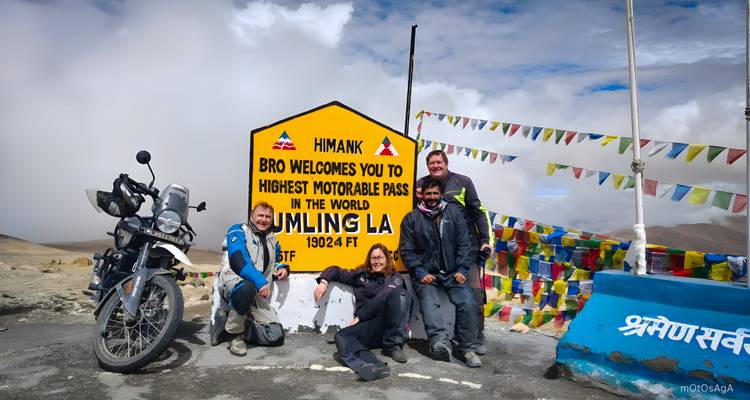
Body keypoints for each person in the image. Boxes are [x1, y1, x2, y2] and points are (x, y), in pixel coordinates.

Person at [416, 150, 493, 355]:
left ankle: (476, 337)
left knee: (474, 294)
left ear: (446, 163)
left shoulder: (463, 181)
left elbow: (478, 212)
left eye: (439, 162)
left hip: (468, 247)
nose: (435, 166)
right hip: (438, 251)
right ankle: (457, 337)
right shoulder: (421, 184)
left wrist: (485, 241)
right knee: (457, 295)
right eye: (431, 163)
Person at [399, 178, 481, 368]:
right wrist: (419, 271)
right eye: (428, 194)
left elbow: (464, 244)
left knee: (467, 303)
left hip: (453, 273)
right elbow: (406, 250)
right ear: (422, 195)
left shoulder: (454, 214)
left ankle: (467, 348)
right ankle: (440, 343)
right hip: (426, 274)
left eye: (435, 194)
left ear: (441, 194)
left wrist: (462, 269)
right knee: (429, 303)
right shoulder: (411, 218)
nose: (432, 197)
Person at [313, 243, 411, 381]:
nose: (377, 261)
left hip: (387, 325)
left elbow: (383, 296)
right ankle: (372, 366)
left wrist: (360, 315)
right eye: (373, 258)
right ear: (369, 260)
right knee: (341, 336)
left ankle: (393, 347)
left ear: (387, 259)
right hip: (367, 327)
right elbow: (335, 270)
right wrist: (323, 282)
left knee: (400, 294)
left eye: (380, 257)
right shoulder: (360, 276)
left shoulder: (395, 278)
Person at [211, 201, 290, 356]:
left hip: (257, 293)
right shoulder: (238, 230)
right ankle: (235, 334)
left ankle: (227, 321)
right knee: (246, 288)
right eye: (260, 215)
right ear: (251, 216)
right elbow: (238, 259)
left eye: (268, 217)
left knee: (275, 336)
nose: (264, 219)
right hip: (234, 282)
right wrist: (260, 281)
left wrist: (282, 267)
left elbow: (274, 261)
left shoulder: (273, 239)